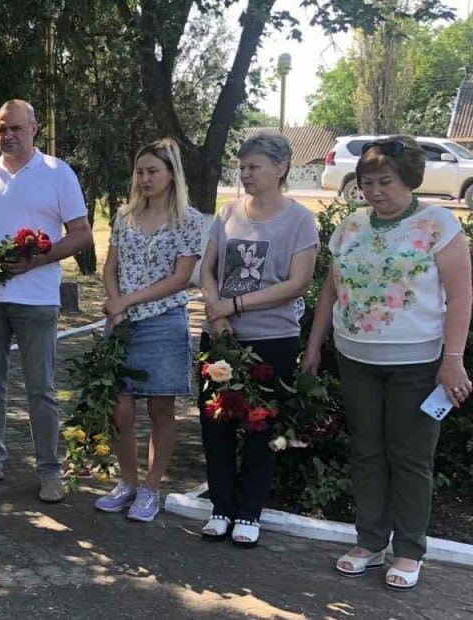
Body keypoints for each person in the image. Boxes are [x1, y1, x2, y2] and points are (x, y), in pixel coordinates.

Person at [304, 135, 472, 591]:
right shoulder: (352, 226)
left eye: (385, 182)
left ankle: (409, 549)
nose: (375, 191)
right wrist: (315, 344)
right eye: (367, 182)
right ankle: (371, 541)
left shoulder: (439, 225)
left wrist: (452, 360)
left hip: (418, 363)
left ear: (410, 180)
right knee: (367, 452)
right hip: (356, 357)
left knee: (411, 457)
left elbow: (460, 296)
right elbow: (330, 289)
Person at [0, 100, 93, 502]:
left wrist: (40, 258)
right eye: (1, 129)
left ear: (34, 128)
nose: (8, 136)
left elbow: (82, 233)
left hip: (36, 300)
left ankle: (50, 472)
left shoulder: (56, 173)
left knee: (41, 389)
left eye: (16, 128)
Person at [198, 132, 318, 546]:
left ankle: (249, 512)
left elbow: (297, 283)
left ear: (280, 168)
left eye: (254, 166)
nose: (245, 174)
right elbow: (207, 271)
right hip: (220, 337)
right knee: (216, 424)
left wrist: (236, 306)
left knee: (259, 427)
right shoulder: (228, 212)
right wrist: (217, 316)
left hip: (272, 340)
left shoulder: (299, 220)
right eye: (242, 167)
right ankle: (220, 507)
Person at [96, 139, 204, 522]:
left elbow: (180, 278)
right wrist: (115, 302)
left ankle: (152, 487)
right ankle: (127, 481)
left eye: (152, 171)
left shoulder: (188, 220)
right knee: (119, 409)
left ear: (171, 174)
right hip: (123, 324)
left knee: (161, 408)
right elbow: (110, 269)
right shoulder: (124, 217)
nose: (144, 178)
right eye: (140, 171)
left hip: (162, 322)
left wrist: (129, 300)